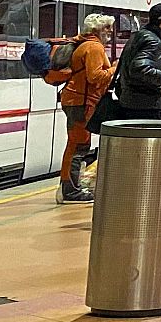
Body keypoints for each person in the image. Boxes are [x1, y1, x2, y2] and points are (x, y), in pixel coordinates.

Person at [49, 14, 115, 202]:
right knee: (78, 145)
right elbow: (95, 77)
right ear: (97, 30)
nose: (110, 32)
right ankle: (70, 190)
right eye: (107, 28)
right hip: (81, 101)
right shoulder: (94, 47)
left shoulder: (83, 44)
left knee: (75, 144)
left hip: (75, 100)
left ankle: (69, 187)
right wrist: (114, 68)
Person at [115, 4, 161, 120]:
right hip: (145, 107)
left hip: (128, 101)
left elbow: (135, 60)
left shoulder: (138, 36)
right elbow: (139, 68)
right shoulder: (153, 40)